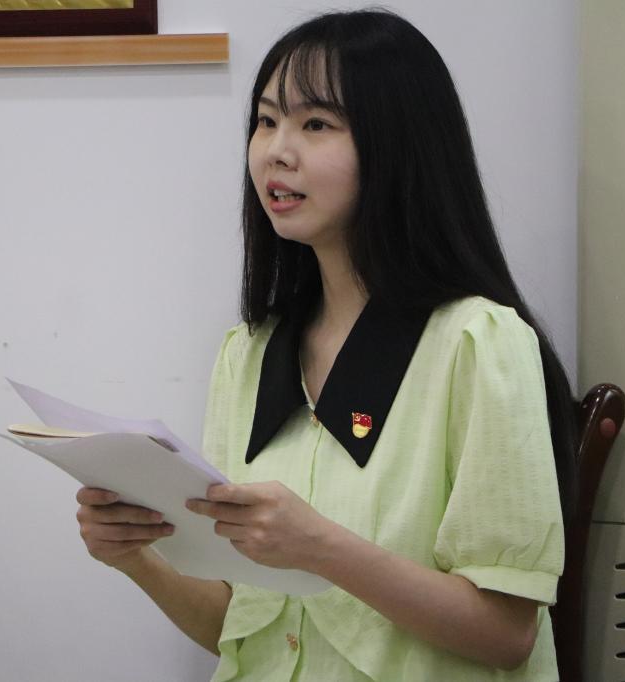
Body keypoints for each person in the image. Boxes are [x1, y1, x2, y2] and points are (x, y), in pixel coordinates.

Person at [76, 9, 575, 681]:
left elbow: (506, 634)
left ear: (398, 145)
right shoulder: (247, 355)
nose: (276, 151)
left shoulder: (477, 344)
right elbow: (240, 631)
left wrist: (321, 548)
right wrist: (134, 557)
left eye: (316, 124)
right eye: (266, 121)